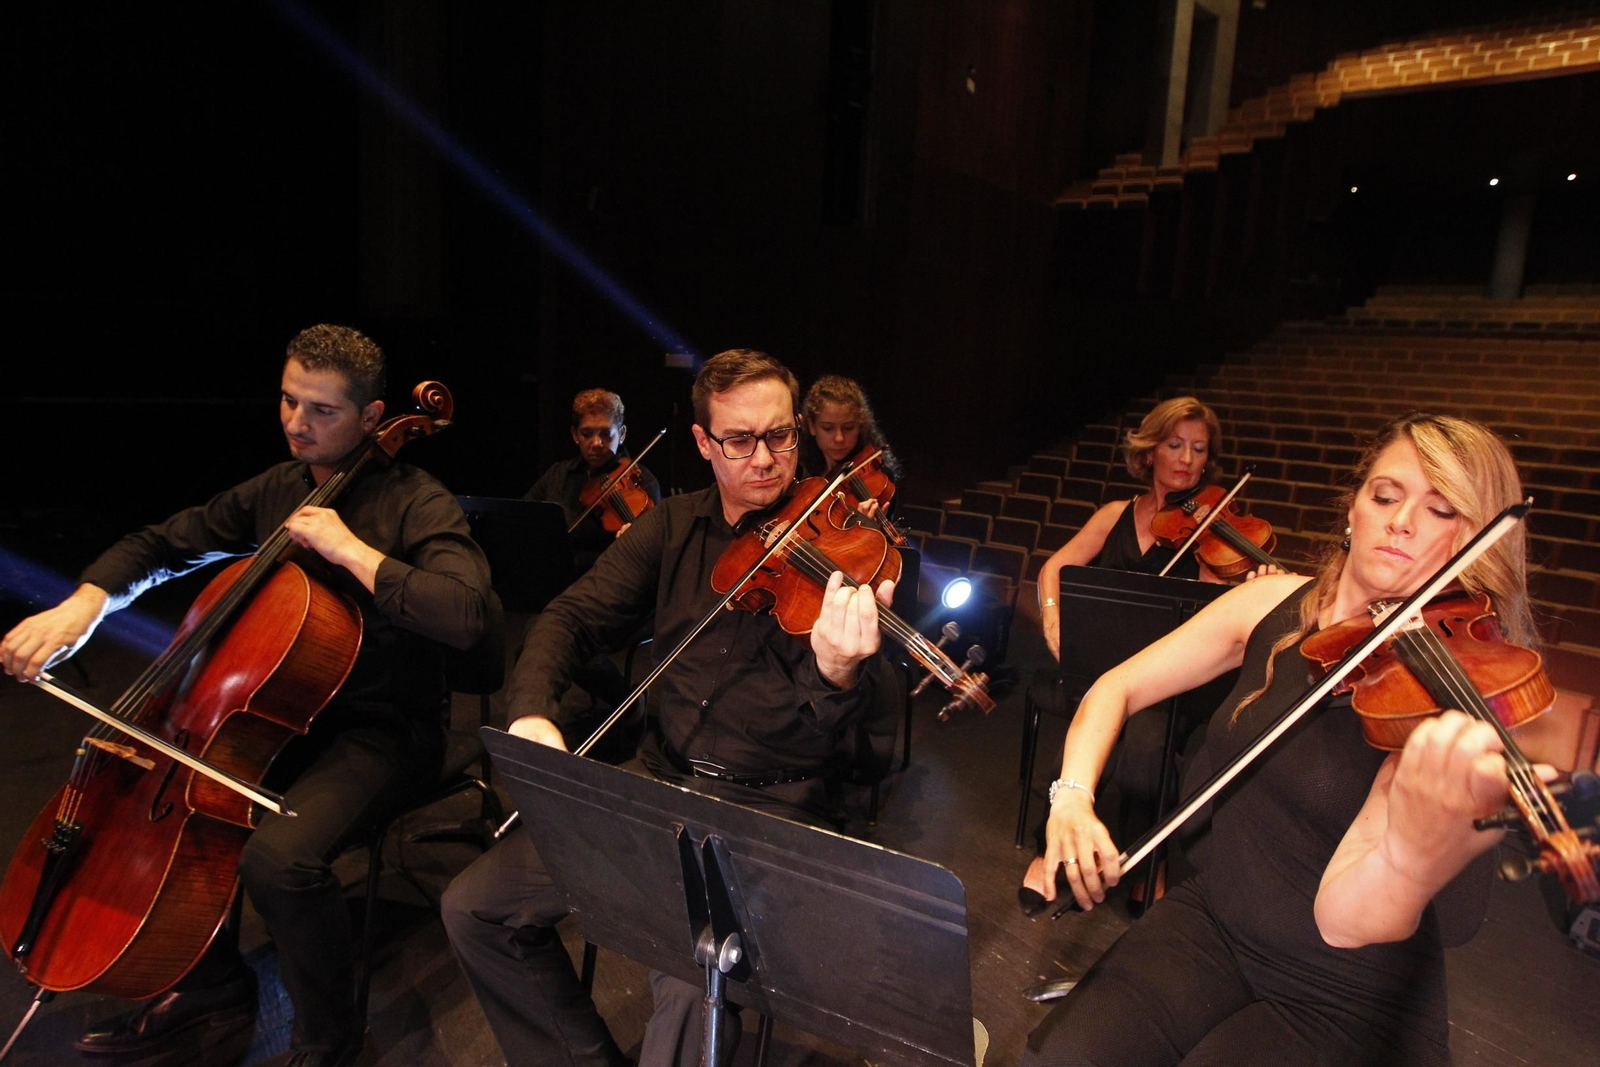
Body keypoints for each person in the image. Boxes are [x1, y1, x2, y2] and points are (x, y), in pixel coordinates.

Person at [0, 325, 491, 1067]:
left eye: (322, 410)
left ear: (372, 414)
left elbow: (469, 615)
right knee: (192, 804)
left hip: (384, 730)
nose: (297, 421)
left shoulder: (418, 503)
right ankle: (209, 993)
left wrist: (352, 550)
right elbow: (163, 544)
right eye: (289, 399)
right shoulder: (278, 488)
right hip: (278, 721)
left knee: (278, 857)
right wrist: (85, 605)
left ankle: (327, 1041)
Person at [1021, 412, 1536, 1067]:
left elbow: (1368, 920)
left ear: (1478, 539)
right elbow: (1113, 689)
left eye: (1441, 510)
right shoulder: (1269, 605)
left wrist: (1412, 854)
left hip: (1348, 993)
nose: (1402, 520)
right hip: (1215, 918)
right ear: (1353, 506)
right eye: (1386, 495)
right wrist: (1070, 797)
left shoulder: (1454, 690)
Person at [441, 349, 893, 1067]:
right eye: (740, 440)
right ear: (703, 443)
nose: (767, 459)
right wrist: (533, 713)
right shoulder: (672, 526)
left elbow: (871, 752)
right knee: (474, 908)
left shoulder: (851, 550)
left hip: (767, 813)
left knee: (694, 987)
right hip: (653, 783)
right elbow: (567, 618)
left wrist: (837, 675)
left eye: (780, 436)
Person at [1022, 397, 1236, 908]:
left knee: (1143, 754)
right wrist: (1053, 616)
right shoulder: (1114, 514)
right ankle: (1050, 846)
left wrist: (1224, 563)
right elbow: (1054, 568)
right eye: (1175, 444)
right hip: (1101, 670)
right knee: (1078, 749)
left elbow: (1215, 614)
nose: (1186, 459)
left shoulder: (1212, 529)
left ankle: (1147, 854)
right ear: (1150, 452)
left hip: (1169, 682)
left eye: (1198, 449)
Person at [525, 388, 662, 572]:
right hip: (556, 574)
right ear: (575, 435)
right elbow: (524, 516)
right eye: (587, 434)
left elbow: (656, 545)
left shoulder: (642, 480)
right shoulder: (558, 475)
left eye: (606, 434)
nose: (596, 443)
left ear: (621, 434)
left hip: (611, 579)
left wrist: (635, 537)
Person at [799, 375, 903, 520]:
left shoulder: (879, 476)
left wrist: (863, 531)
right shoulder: (801, 473)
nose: (839, 438)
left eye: (848, 428)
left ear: (860, 425)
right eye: (828, 428)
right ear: (812, 426)